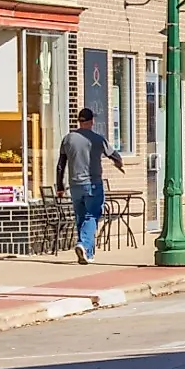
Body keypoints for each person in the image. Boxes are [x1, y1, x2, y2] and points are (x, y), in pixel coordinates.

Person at [54, 107, 125, 265]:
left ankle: (88, 254)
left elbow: (60, 165)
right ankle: (84, 245)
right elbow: (114, 155)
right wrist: (119, 163)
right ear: (92, 121)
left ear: (79, 121)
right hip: (93, 184)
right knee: (92, 215)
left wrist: (60, 186)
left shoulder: (68, 139)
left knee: (81, 217)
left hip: (75, 185)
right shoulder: (97, 139)